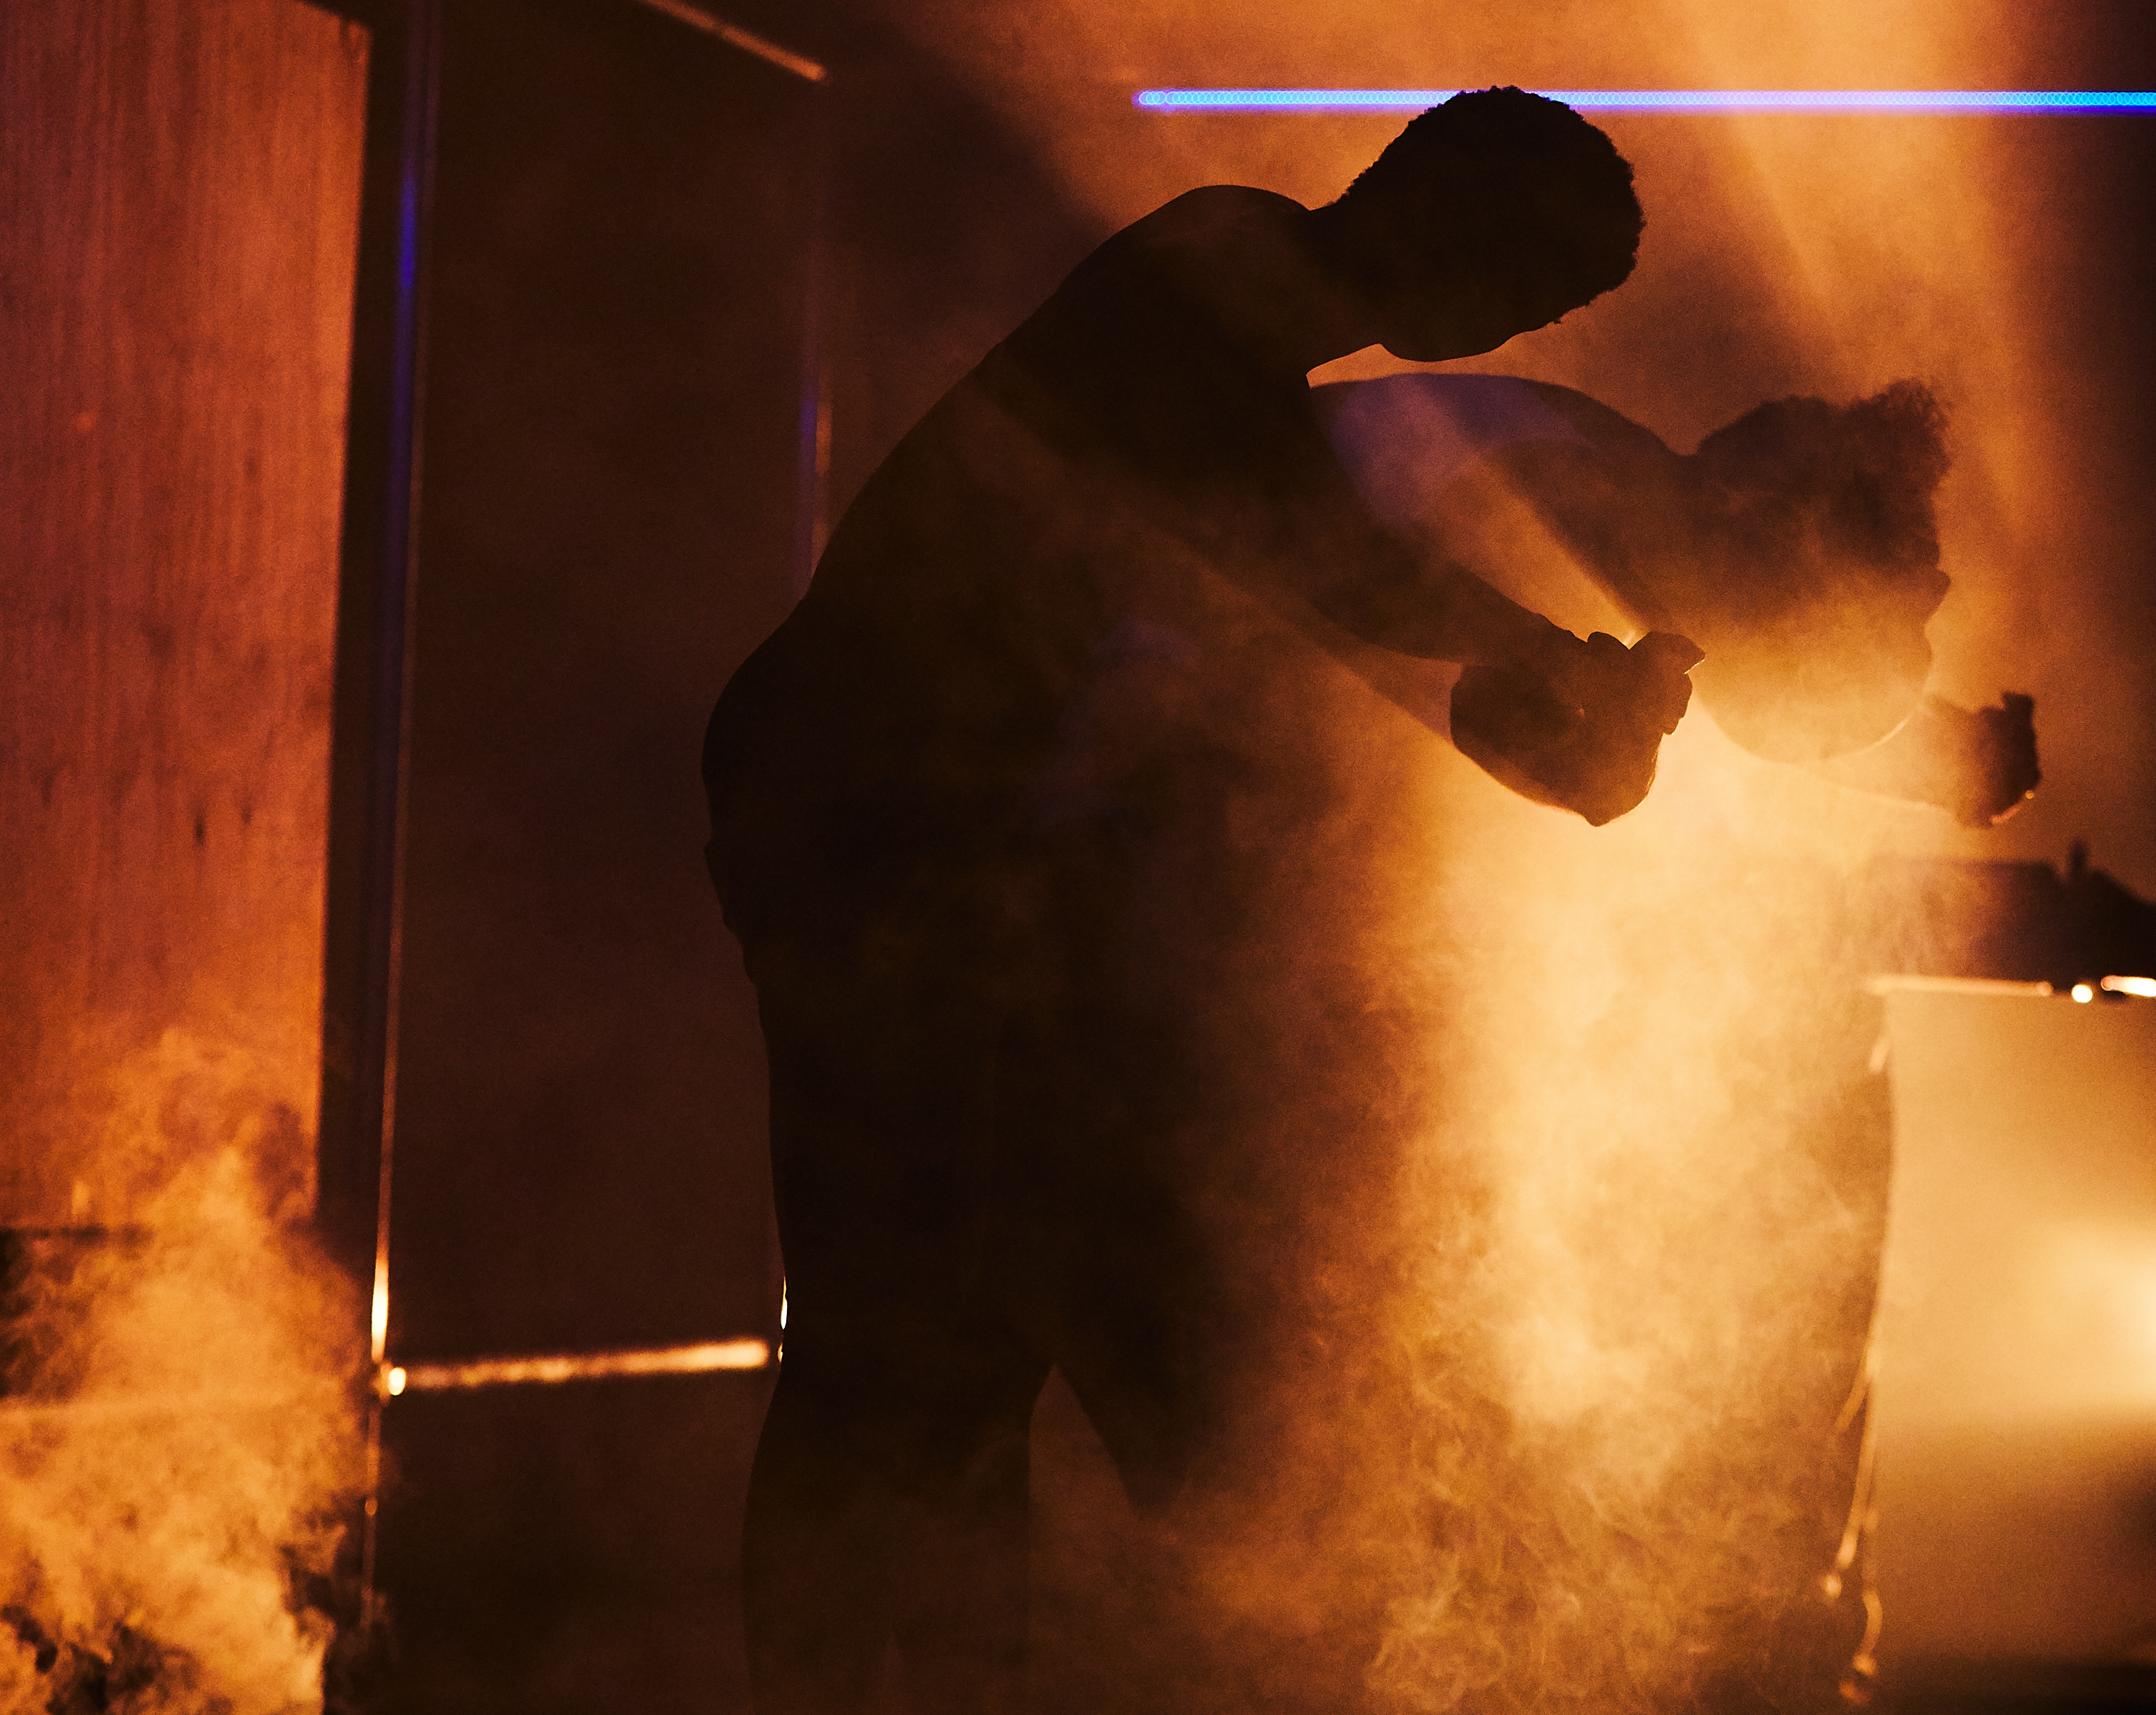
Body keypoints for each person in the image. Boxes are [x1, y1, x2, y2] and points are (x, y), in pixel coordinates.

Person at [700, 91, 1688, 1715]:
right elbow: (1311, 560)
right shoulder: (1218, 263)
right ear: (1447, 208)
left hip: (906, 828)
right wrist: (1541, 671)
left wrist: (1545, 700)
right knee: (904, 1326)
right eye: (1535, 281)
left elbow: (1297, 587)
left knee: (941, 1329)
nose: (1516, 326)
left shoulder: (1239, 329)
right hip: (873, 816)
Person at [1313, 370, 2039, 829]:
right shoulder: (1560, 499)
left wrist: (1957, 759)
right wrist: (1610, 760)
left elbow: (1782, 717)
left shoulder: (1627, 520)